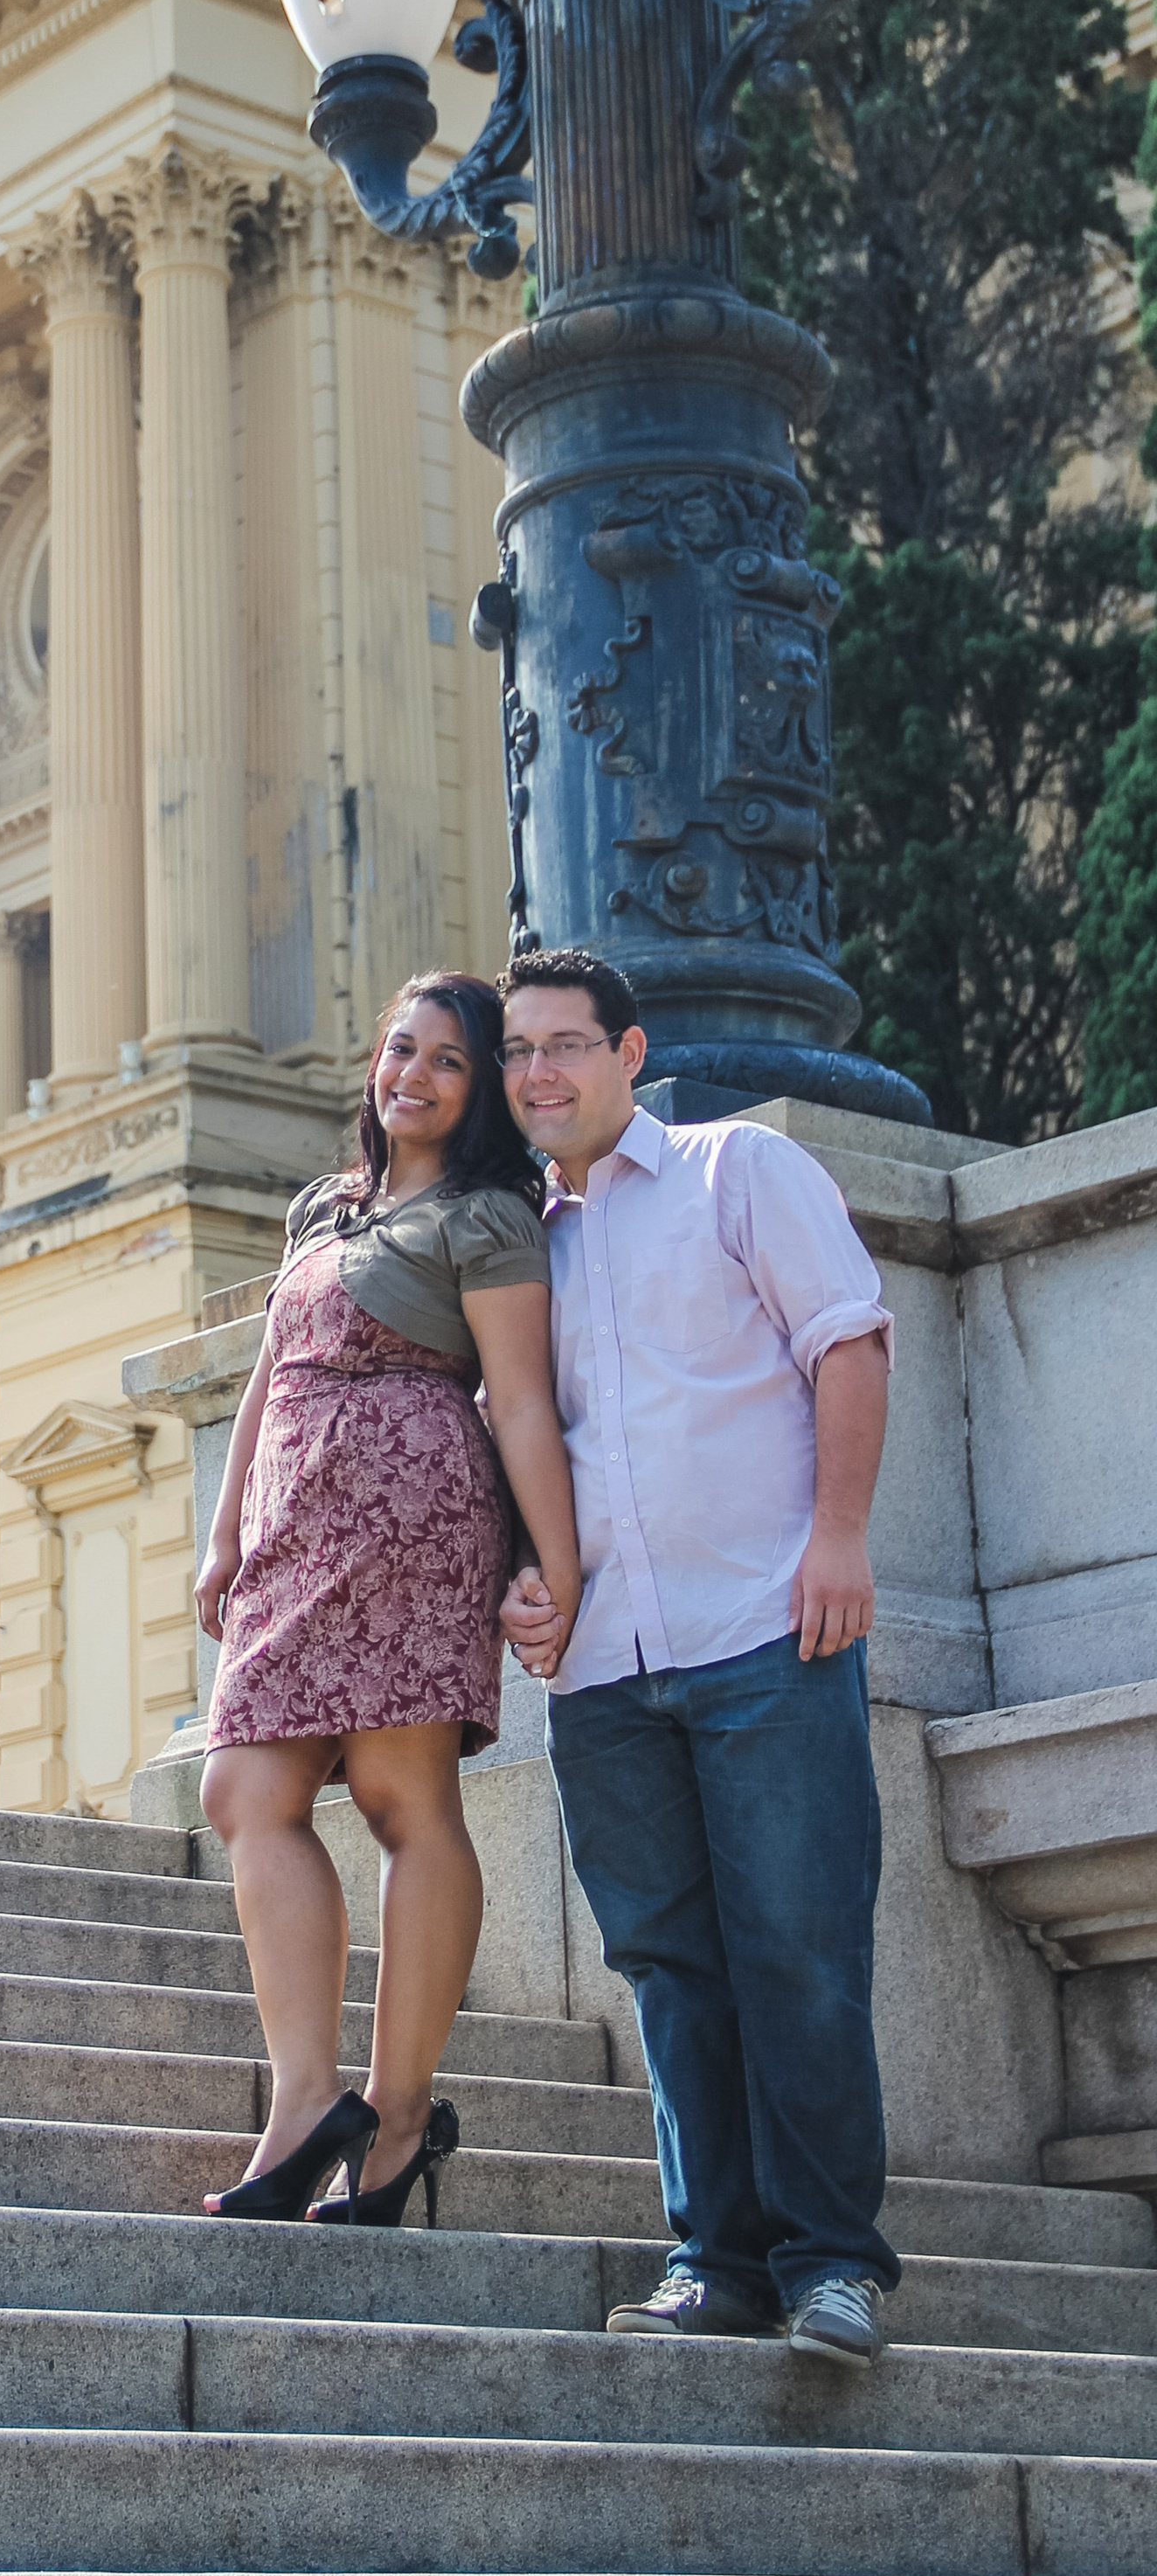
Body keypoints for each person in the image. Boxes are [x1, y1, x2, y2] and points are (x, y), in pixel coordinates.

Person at [494, 945, 897, 2364]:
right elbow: (523, 1443)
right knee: (670, 1965)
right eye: (517, 1052)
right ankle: (715, 2262)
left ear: (629, 1053)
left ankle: (833, 2263)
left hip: (764, 1629)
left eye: (563, 1044)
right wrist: (521, 1579)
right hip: (604, 1665)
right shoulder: (518, 1243)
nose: (538, 1072)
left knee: (801, 1950)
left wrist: (839, 1536)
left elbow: (849, 1345)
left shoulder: (739, 1171)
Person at [193, 972, 582, 2228]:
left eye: (448, 1060)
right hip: (293, 1529)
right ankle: (309, 2101)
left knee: (401, 1799)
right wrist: (223, 1534)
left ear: (480, 1093)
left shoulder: (492, 1217)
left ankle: (400, 2116)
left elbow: (521, 1400)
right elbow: (269, 1376)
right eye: (400, 1049)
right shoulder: (325, 1207)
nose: (413, 1074)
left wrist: (555, 1563)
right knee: (244, 1792)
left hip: (415, 1521)